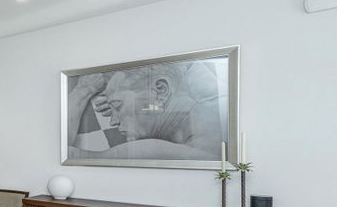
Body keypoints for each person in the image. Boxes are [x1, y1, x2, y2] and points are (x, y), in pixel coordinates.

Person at [68, 61, 224, 160]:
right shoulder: (216, 113)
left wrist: (84, 90)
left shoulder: (156, 150)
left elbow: (65, 153)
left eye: (118, 106)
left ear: (161, 90)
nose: (113, 121)